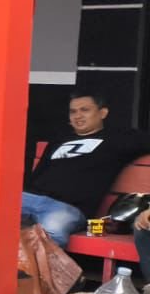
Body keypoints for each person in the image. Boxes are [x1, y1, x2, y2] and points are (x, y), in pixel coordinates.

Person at [22, 91, 150, 244]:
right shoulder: (59, 139)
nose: (78, 116)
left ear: (103, 113)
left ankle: (22, 267)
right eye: (73, 111)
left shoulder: (120, 138)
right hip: (29, 198)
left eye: (85, 110)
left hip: (67, 207)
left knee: (52, 232)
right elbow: (39, 173)